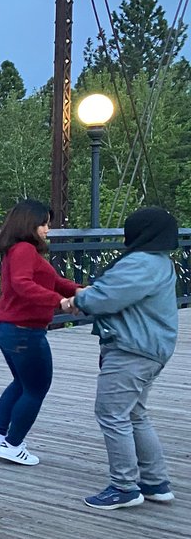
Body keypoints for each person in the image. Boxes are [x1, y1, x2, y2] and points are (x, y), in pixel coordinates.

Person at [64, 207, 179, 510]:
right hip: (149, 349)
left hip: (132, 350)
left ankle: (124, 486)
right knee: (135, 413)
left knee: (111, 413)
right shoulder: (160, 262)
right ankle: (155, 482)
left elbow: (107, 297)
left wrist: (77, 299)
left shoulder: (141, 263)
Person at [0, 199, 79, 466]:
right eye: (44, 224)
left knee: (21, 383)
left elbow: (53, 281)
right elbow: (23, 285)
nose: (47, 229)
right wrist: (59, 302)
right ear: (29, 224)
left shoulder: (17, 250)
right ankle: (13, 446)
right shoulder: (25, 249)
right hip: (24, 332)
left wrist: (77, 290)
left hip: (8, 329)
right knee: (36, 388)